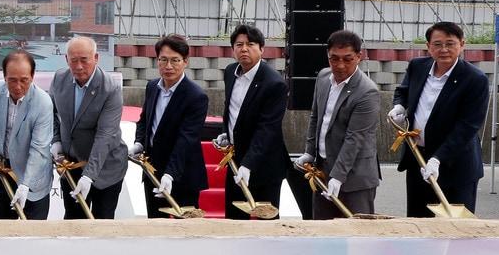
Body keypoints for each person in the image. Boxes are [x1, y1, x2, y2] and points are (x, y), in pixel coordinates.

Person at [390, 21, 488, 217]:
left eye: (450, 43)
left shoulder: (475, 79)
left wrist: (437, 159)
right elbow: (403, 91)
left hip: (455, 164)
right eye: (437, 44)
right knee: (419, 222)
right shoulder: (417, 66)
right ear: (428, 46)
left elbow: (467, 127)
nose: (444, 49)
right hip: (418, 158)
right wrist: (398, 106)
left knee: (453, 229)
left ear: (462, 44)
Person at [297, 30, 381, 219]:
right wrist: (310, 151)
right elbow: (316, 117)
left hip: (355, 177)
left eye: (347, 59)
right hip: (323, 169)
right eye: (334, 59)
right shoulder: (323, 78)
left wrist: (338, 176)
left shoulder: (367, 92)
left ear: (359, 57)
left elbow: (355, 138)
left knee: (356, 235)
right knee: (323, 232)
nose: (340, 65)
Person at [216, 24, 294, 220]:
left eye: (250, 44)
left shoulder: (274, 83)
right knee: (234, 220)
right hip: (235, 161)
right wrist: (227, 133)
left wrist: (249, 164)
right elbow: (232, 110)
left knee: (265, 224)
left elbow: (267, 129)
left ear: (261, 48)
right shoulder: (230, 72)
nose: (244, 49)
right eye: (239, 44)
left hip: (265, 164)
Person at [49, 36, 127, 219]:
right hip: (72, 163)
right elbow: (50, 113)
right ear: (66, 59)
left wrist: (89, 176)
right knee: (73, 220)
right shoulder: (60, 78)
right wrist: (56, 141)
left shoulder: (110, 89)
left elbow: (105, 135)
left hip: (107, 166)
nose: (78, 66)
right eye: (73, 60)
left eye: (84, 59)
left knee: (102, 221)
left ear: (96, 57)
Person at [133, 34, 209, 218]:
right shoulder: (152, 87)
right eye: (163, 60)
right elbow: (144, 120)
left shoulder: (196, 96)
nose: (168, 66)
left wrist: (170, 174)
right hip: (153, 171)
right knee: (155, 227)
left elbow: (187, 139)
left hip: (182, 174)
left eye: (175, 60)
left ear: (185, 62)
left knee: (185, 232)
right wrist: (139, 143)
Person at [0, 50, 55, 219]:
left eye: (24, 80)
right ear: (4, 76)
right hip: (4, 172)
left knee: (32, 235)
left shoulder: (43, 103)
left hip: (34, 179)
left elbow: (38, 148)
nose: (18, 87)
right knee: (3, 232)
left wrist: (25, 185)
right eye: (12, 80)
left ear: (33, 76)